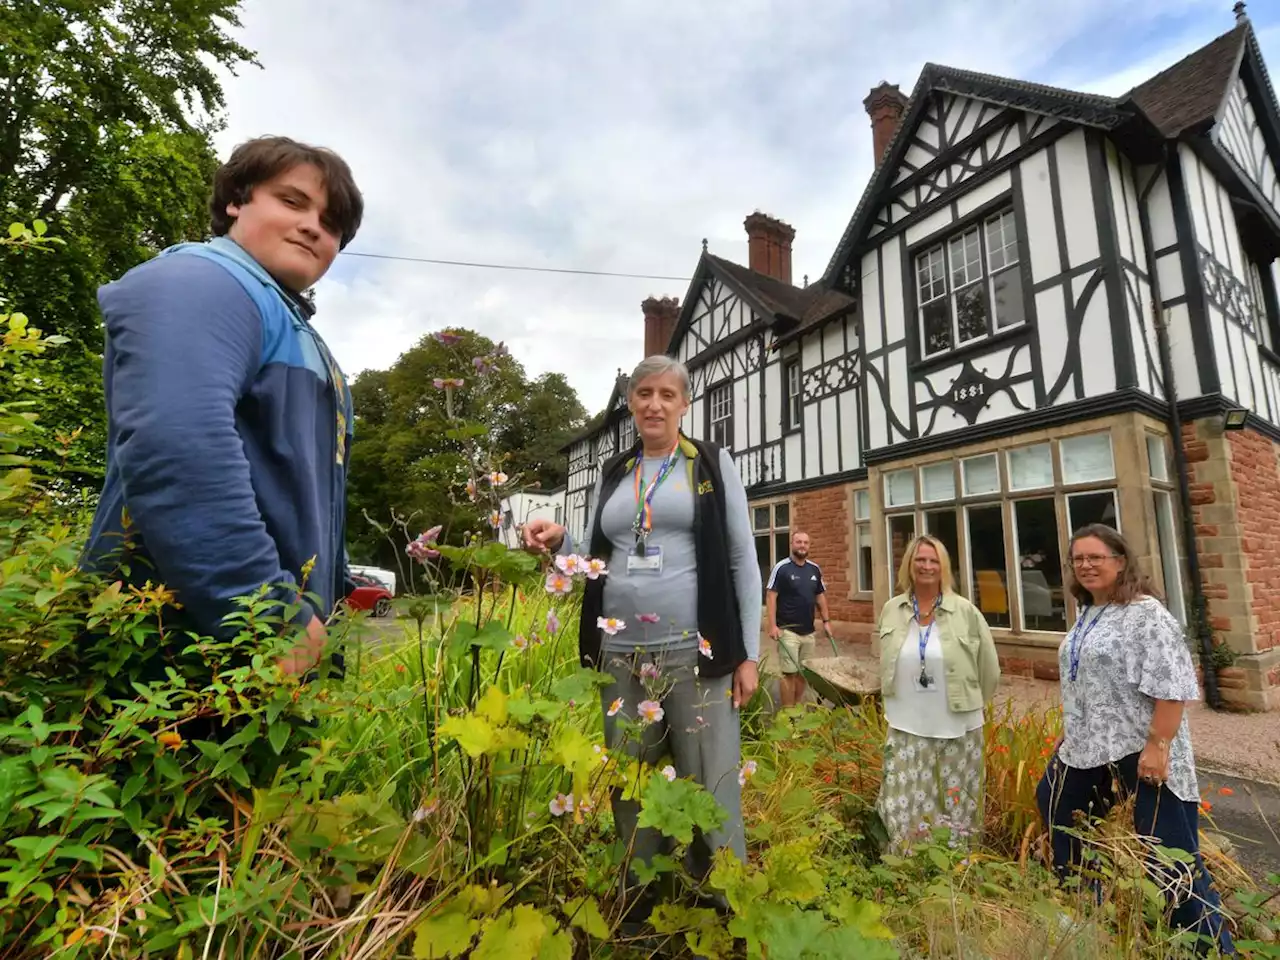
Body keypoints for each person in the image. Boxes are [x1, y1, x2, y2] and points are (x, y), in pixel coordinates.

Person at [82, 136, 364, 676]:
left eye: (331, 225)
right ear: (236, 200)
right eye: (292, 201)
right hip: (174, 660)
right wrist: (268, 614)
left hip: (251, 663)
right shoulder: (201, 281)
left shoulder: (294, 328)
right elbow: (178, 445)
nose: (313, 227)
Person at [522, 354, 761, 916]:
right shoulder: (613, 472)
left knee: (709, 776)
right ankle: (640, 892)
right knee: (630, 775)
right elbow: (589, 556)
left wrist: (748, 653)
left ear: (684, 403)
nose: (654, 404)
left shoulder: (710, 464)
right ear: (631, 404)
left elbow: (742, 560)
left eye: (667, 395)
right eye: (644, 393)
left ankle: (722, 902)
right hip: (619, 652)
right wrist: (558, 543)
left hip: (694, 652)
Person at [1035, 524, 1234, 955]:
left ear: (1121, 561)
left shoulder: (1146, 613)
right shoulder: (1089, 611)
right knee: (1056, 804)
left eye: (1096, 557)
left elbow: (1172, 683)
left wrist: (1158, 746)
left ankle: (1209, 948)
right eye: (1078, 559)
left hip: (1141, 747)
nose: (1085, 565)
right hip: (1087, 748)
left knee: (1170, 857)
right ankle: (1089, 913)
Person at [875, 535, 999, 852]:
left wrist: (969, 703)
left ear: (943, 567)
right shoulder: (892, 610)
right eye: (920, 560)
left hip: (957, 725)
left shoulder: (966, 612)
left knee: (957, 802)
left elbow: (989, 670)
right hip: (905, 724)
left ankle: (957, 867)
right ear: (909, 566)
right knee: (902, 800)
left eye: (933, 561)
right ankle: (907, 861)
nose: (926, 566)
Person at [766, 531, 834, 706]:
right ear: (792, 544)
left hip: (808, 632)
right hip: (787, 630)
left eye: (805, 542)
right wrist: (772, 625)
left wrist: (826, 621)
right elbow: (771, 596)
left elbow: (820, 596)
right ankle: (788, 713)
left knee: (804, 673)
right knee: (789, 673)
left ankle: (796, 708)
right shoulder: (782, 568)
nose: (802, 545)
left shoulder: (814, 569)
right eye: (798, 542)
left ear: (809, 546)